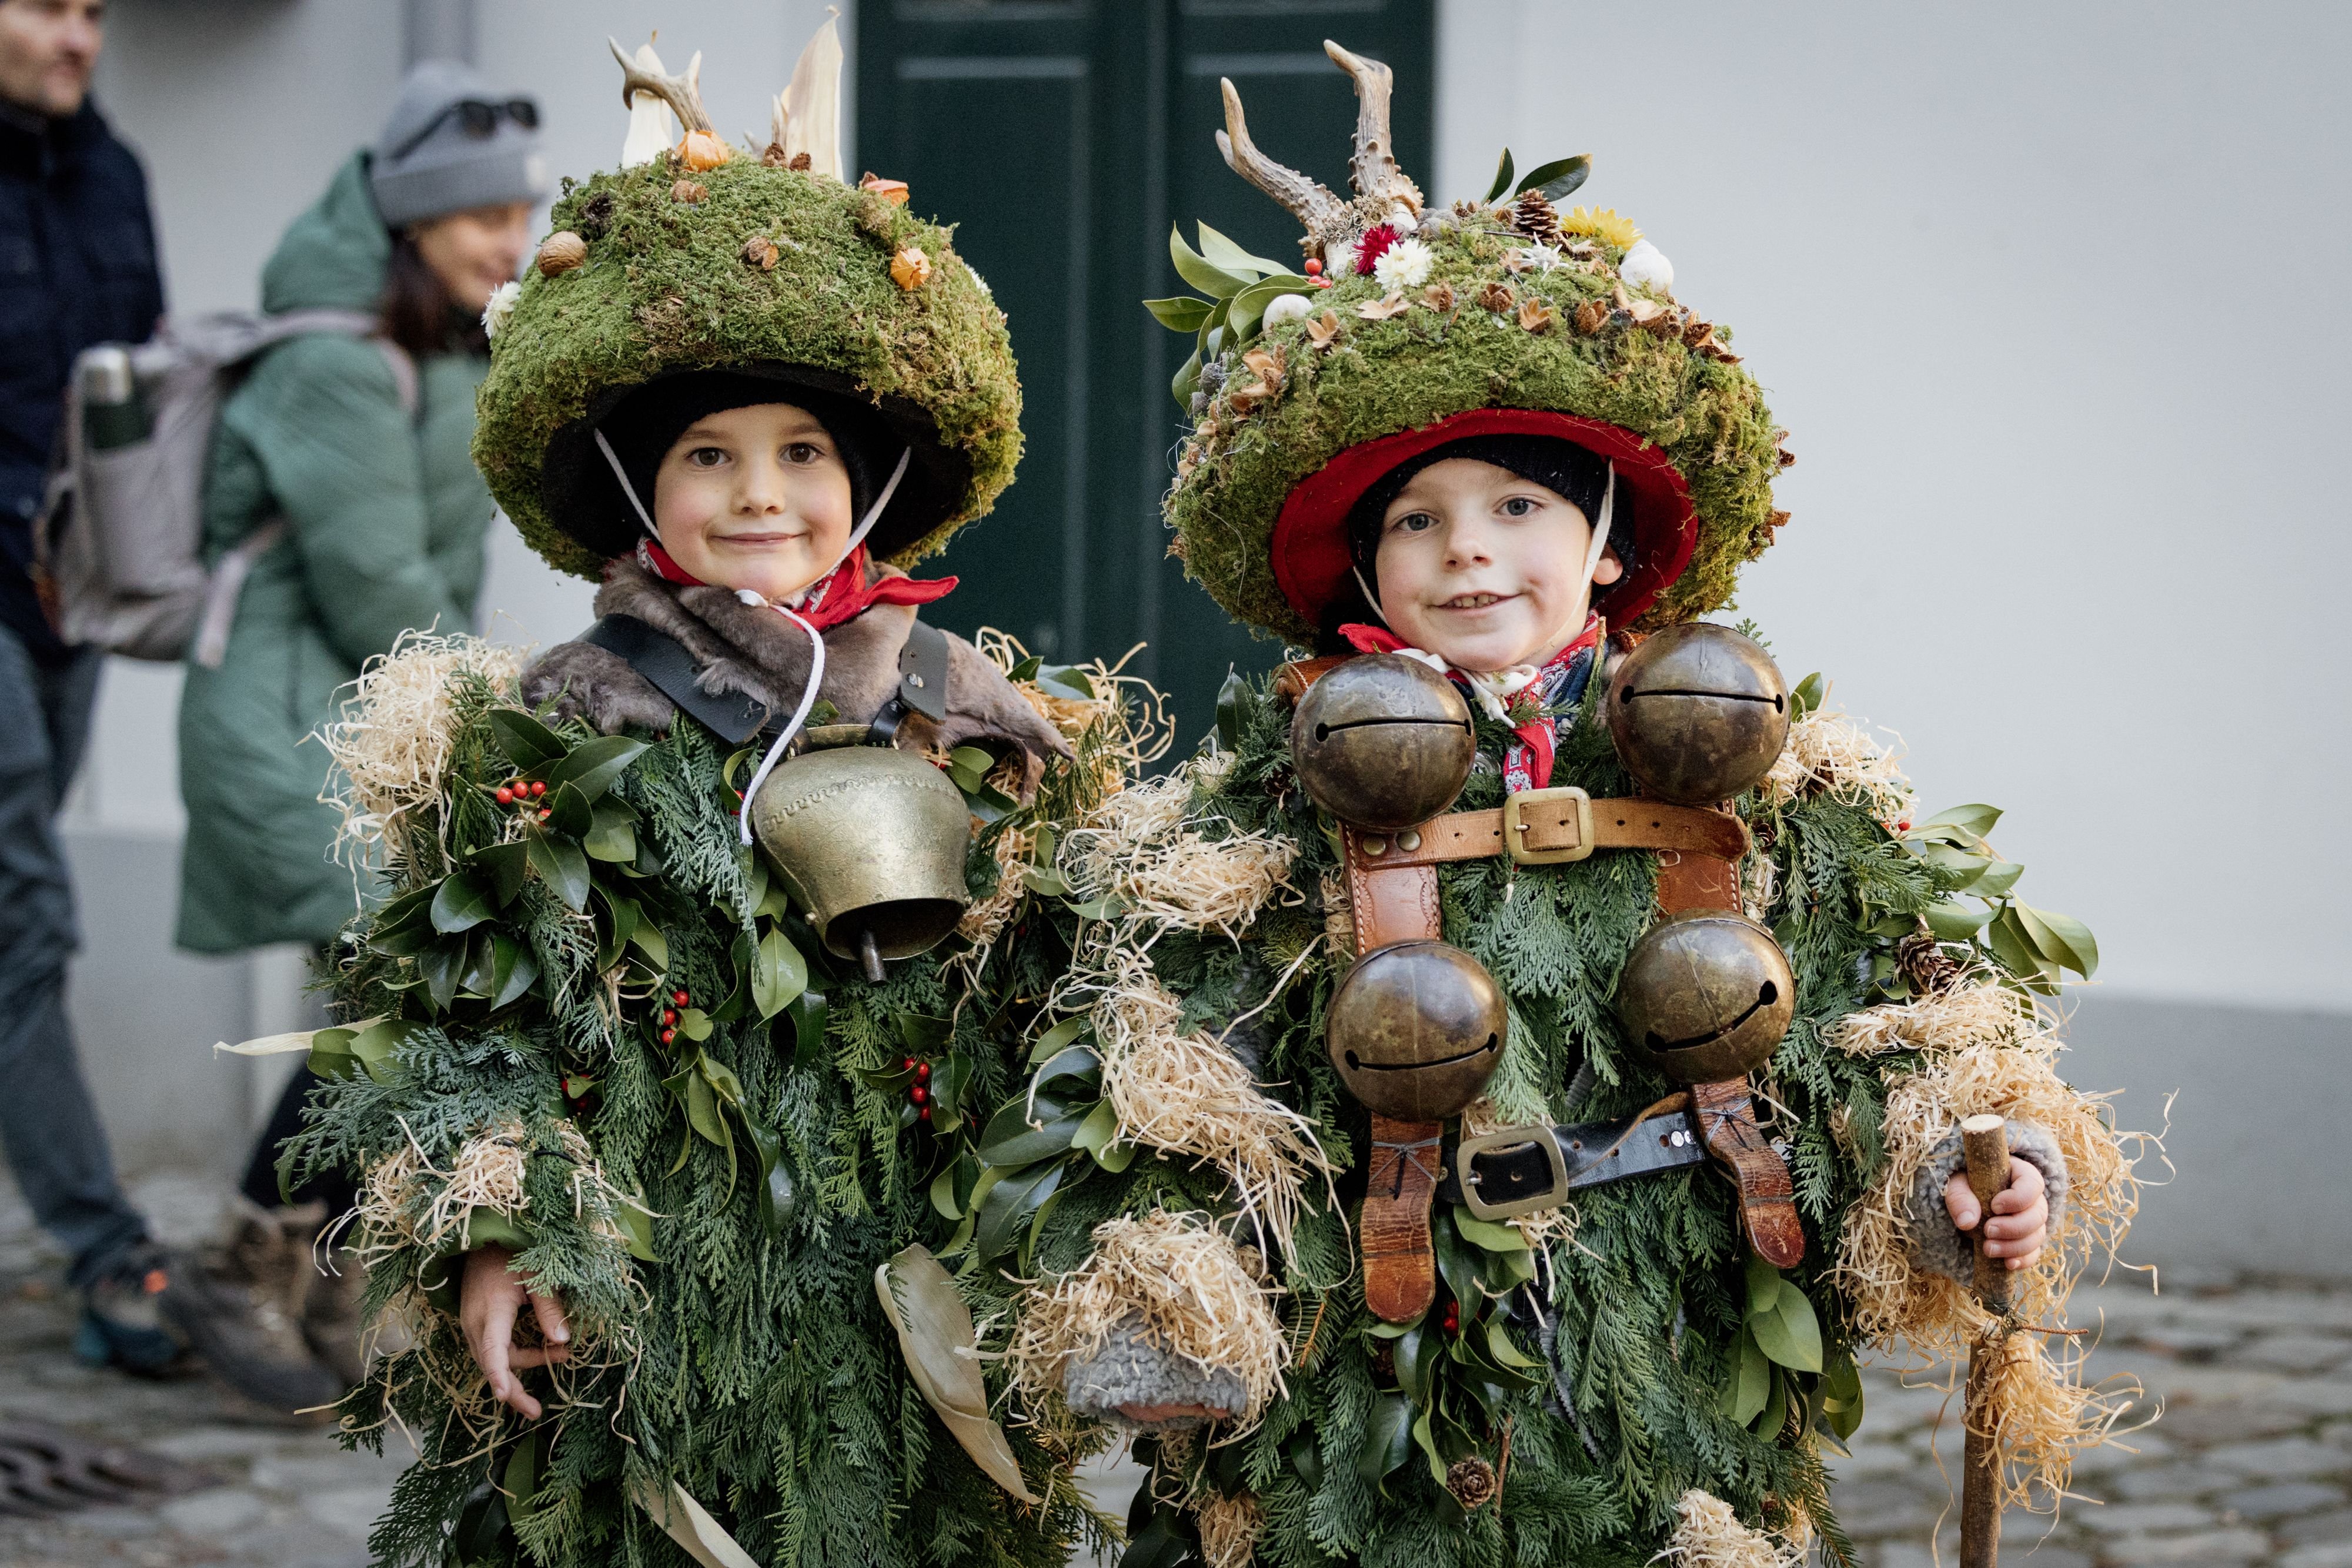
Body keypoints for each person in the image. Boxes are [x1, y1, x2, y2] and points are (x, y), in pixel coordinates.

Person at [951, 45, 2140, 1563]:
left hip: (1678, 1349)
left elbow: (1907, 1015)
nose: (1469, 554)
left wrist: (1962, 1171)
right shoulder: (1241, 819)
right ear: (1363, 570)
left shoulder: (1771, 775)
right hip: (1358, 1371)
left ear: (1602, 545)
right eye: (1418, 521)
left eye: (1519, 507)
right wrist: (1165, 1291)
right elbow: (1161, 1072)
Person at [281, 26, 1120, 1564]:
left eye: (804, 452)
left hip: (908, 1280)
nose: (757, 496)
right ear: (636, 484)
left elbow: (1066, 995)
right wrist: (506, 1233)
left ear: (867, 483)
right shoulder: (562, 711)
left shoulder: (966, 704)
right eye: (709, 455)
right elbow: (478, 1012)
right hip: (646, 1284)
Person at [173, 58, 546, 1409]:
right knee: (399, 996)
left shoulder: (425, 346)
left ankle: (320, 1278)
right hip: (277, 722)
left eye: (517, 211)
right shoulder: (334, 361)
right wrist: (512, 707)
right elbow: (381, 585)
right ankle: (238, 1260)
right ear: (407, 217)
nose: (506, 239)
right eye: (476, 216)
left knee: (387, 1000)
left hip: (347, 715)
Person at [0, 0, 196, 1380]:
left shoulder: (113, 172)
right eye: (47, 7)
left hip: (64, 604)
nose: (79, 38)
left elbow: (138, 387)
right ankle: (106, 1245)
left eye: (95, 11)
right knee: (26, 908)